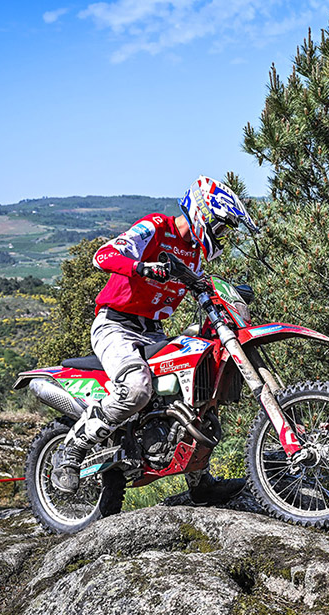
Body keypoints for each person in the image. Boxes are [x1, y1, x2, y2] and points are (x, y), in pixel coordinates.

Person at [51, 175, 256, 506]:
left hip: (153, 332)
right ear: (203, 212)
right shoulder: (157, 227)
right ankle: (71, 451)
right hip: (116, 325)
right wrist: (140, 267)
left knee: (198, 391)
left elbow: (202, 288)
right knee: (136, 387)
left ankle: (200, 482)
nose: (221, 235)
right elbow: (103, 256)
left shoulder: (195, 255)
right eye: (220, 226)